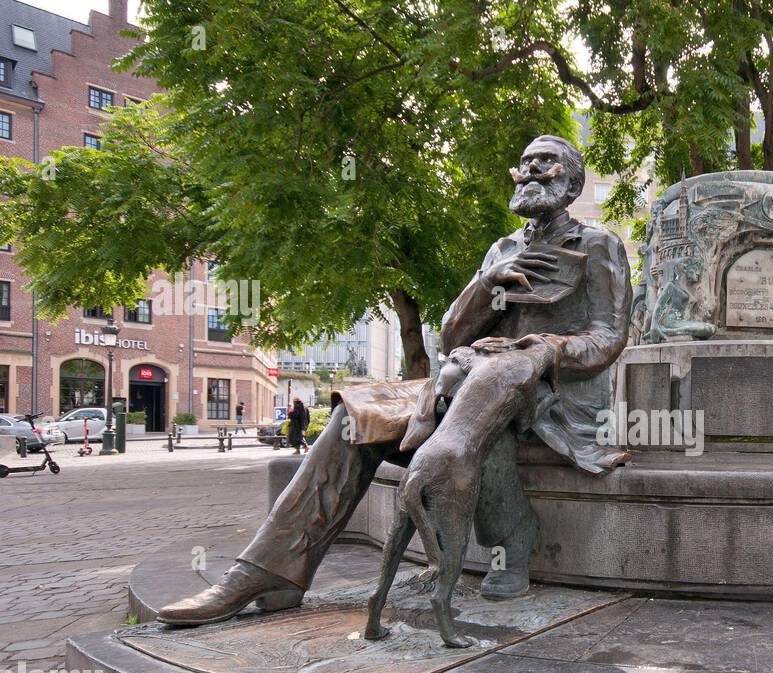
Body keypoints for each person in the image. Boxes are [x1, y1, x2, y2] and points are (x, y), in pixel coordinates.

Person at [156, 134, 632, 628]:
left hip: (553, 396)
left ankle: (511, 542)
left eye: (546, 163)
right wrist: (488, 282)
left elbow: (607, 337)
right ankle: (269, 570)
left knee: (482, 411)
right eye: (525, 161)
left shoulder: (598, 245)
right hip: (472, 377)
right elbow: (454, 336)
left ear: (572, 183)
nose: (531, 170)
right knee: (355, 416)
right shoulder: (503, 250)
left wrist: (545, 350)